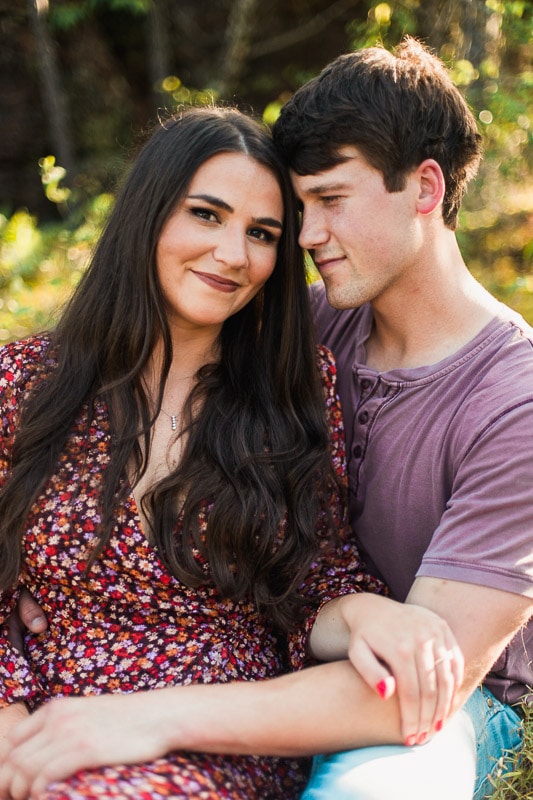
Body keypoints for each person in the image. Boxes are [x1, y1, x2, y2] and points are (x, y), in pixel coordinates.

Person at [0, 105, 461, 799]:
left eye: (261, 234)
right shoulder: (26, 384)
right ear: (148, 213)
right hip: (39, 714)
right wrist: (10, 727)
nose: (232, 254)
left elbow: (317, 584)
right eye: (207, 215)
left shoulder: (293, 392)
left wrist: (368, 612)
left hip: (205, 743)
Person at [270, 36, 533, 800]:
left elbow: (422, 685)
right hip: (283, 656)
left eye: (329, 201)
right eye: (298, 209)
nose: (307, 237)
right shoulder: (305, 327)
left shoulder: (513, 400)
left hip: (449, 708)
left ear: (423, 188)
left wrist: (159, 718)